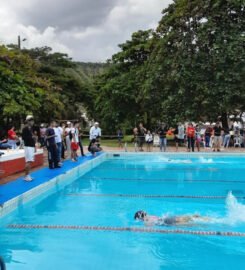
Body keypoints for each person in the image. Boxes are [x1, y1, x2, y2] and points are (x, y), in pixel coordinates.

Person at [134, 211, 211, 226]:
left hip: (168, 221)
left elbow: (149, 225)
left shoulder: (146, 220)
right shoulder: (149, 217)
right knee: (190, 217)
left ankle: (204, 223)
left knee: (191, 224)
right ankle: (209, 219)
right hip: (169, 218)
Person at [22, 115, 36, 181]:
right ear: (28, 121)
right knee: (28, 161)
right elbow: (24, 138)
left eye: (33, 120)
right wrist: (32, 137)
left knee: (30, 161)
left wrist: (34, 146)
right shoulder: (25, 128)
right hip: (28, 146)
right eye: (31, 120)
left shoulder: (31, 128)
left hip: (31, 146)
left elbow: (32, 137)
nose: (32, 122)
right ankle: (26, 176)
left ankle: (27, 175)